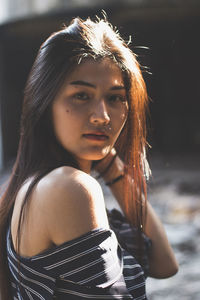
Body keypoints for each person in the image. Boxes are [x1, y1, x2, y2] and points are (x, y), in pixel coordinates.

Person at [0, 16, 178, 300]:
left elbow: (163, 263)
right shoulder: (69, 187)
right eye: (81, 95)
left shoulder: (32, 186)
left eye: (116, 98)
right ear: (45, 105)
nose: (103, 116)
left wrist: (113, 169)